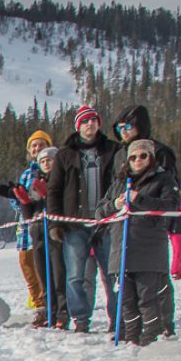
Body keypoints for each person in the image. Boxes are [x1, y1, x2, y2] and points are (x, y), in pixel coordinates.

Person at [48, 106, 122, 332]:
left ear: (99, 124)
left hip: (106, 222)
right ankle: (81, 320)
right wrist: (55, 223)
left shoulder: (113, 149)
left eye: (94, 120)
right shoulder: (65, 154)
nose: (90, 124)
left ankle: (117, 319)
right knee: (75, 277)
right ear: (77, 126)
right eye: (85, 121)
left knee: (112, 275)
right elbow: (54, 190)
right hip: (75, 224)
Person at [105, 140, 181, 346]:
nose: (138, 160)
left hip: (148, 251)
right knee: (126, 301)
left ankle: (152, 337)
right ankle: (131, 338)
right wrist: (115, 204)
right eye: (133, 157)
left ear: (151, 157)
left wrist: (139, 199)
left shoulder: (163, 179)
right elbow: (99, 212)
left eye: (143, 156)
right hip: (120, 250)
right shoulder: (119, 183)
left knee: (148, 299)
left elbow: (171, 206)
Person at [0, 131, 55, 327]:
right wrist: (17, 198)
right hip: (25, 231)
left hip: (46, 229)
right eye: (33, 146)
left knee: (45, 270)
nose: (37, 149)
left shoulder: (53, 168)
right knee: (28, 269)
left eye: (41, 145)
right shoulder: (26, 174)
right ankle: (40, 308)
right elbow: (19, 204)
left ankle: (51, 308)